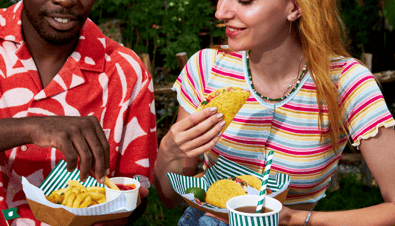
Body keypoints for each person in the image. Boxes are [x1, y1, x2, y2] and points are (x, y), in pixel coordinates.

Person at [154, 0, 395, 225]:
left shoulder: (346, 82)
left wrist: (297, 219)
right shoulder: (207, 68)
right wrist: (168, 152)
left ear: (294, 7)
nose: (221, 12)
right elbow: (171, 199)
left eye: (245, 0)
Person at [0, 0, 157, 225]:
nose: (66, 1)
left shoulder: (128, 74)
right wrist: (31, 128)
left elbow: (136, 188)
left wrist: (119, 213)